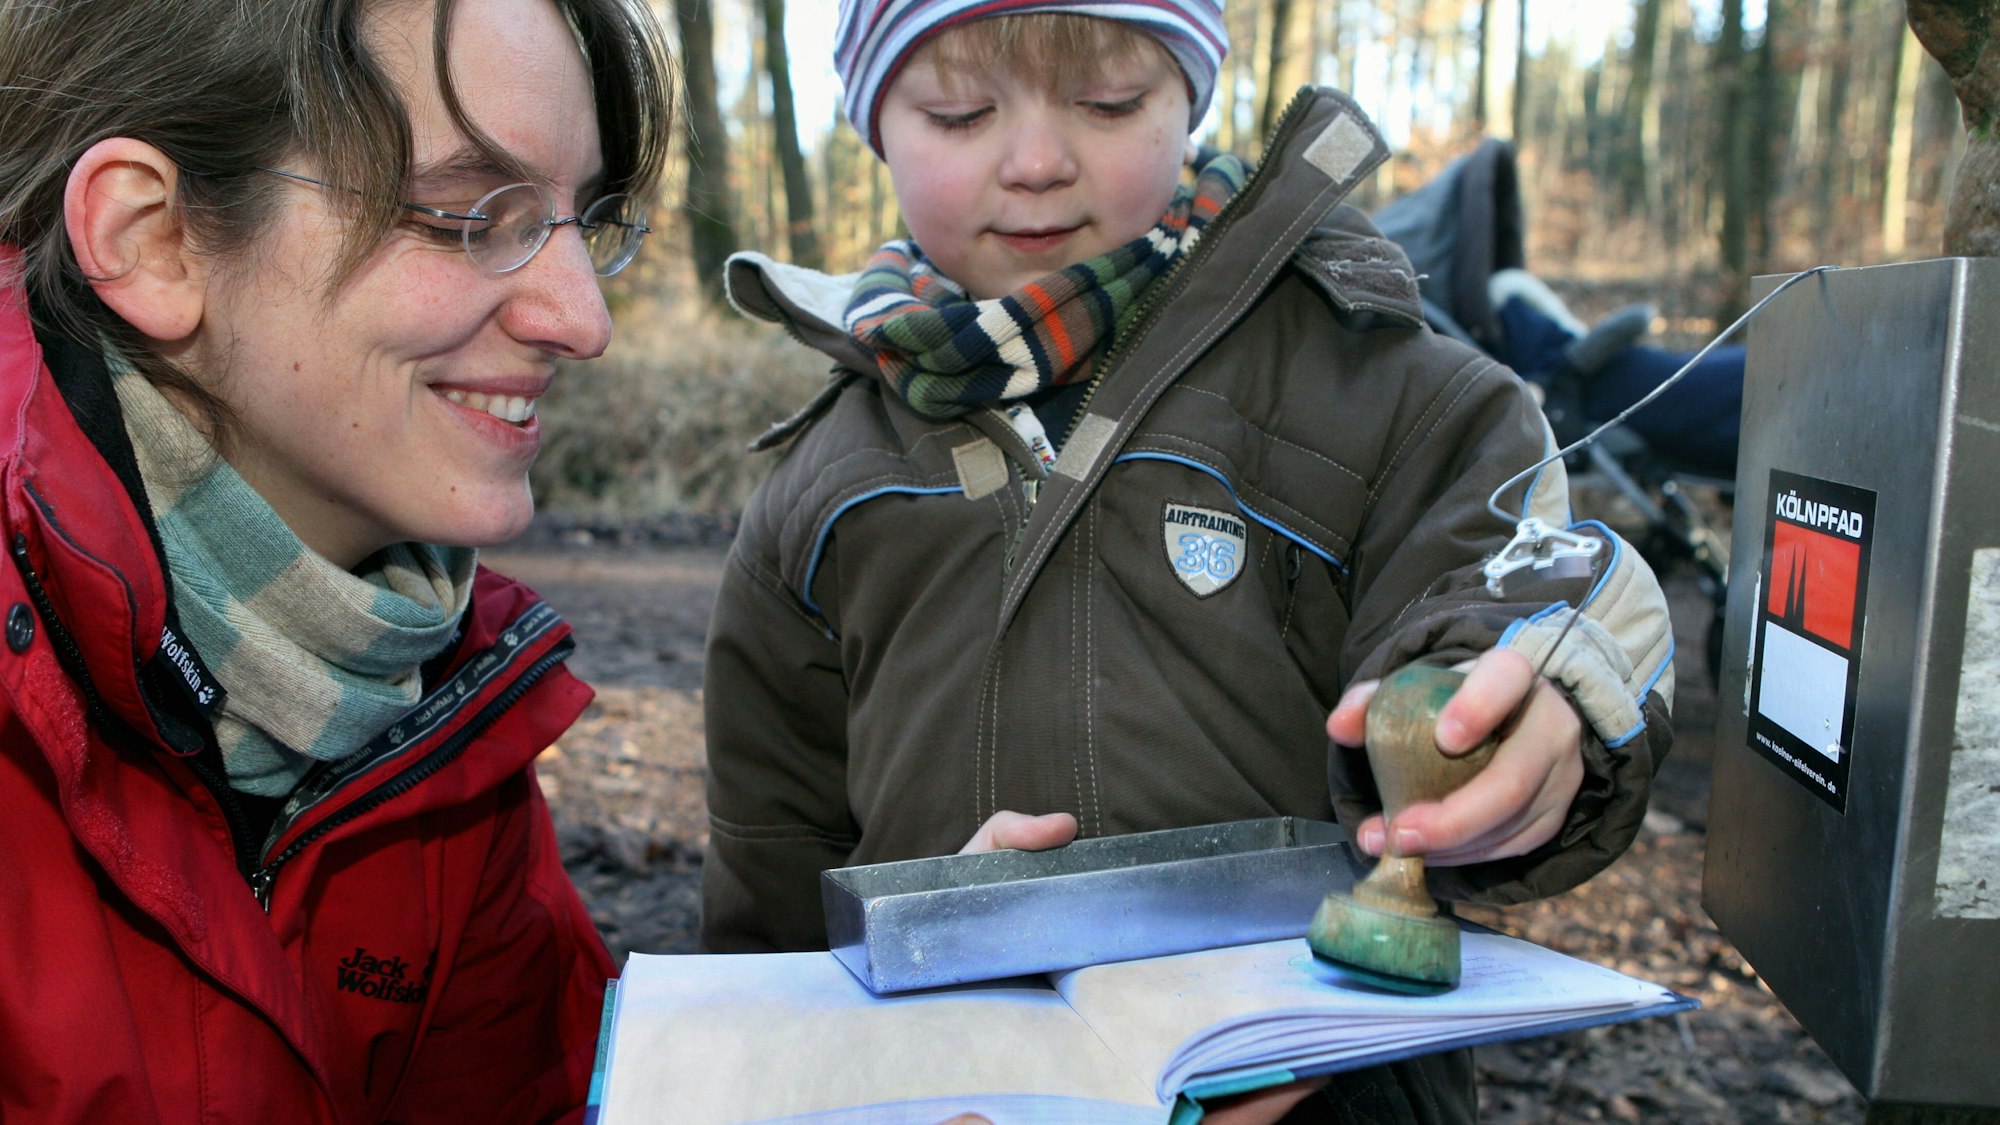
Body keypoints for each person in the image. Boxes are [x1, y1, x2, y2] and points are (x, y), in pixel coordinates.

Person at [702, 1, 1676, 1121]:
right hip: (951, 1090)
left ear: (1189, 96)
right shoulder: (818, 485)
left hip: (1335, 1096)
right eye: (959, 112)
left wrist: (1503, 710)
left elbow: (1497, 584)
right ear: (875, 125)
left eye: (1109, 102)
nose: (1034, 162)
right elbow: (771, 878)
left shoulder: (1386, 391)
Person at [0, 0, 674, 1119]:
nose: (582, 319)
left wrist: (881, 1040)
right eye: (469, 214)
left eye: (581, 220)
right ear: (149, 238)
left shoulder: (432, 696)